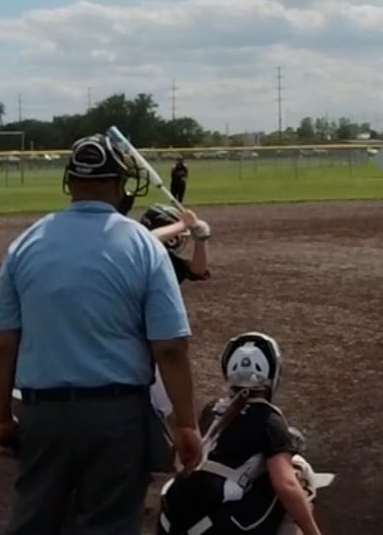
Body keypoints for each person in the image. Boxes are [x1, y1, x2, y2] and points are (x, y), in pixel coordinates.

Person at [0, 136, 204, 534]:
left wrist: (0, 417)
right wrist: (186, 423)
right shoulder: (144, 245)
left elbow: (1, 345)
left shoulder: (25, 244)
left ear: (69, 183)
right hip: (116, 416)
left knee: (35, 522)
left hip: (43, 415)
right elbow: (170, 349)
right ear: (120, 184)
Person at [159, 332, 326, 535]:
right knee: (298, 471)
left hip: (172, 522)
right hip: (214, 527)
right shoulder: (268, 419)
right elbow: (286, 485)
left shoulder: (212, 410)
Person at [138, 202, 214, 530]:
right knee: (150, 413)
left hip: (156, 346)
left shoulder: (165, 258)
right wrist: (183, 224)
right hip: (141, 347)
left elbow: (197, 270)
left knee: (159, 411)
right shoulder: (141, 252)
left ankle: (154, 475)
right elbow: (148, 238)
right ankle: (142, 480)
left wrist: (201, 241)